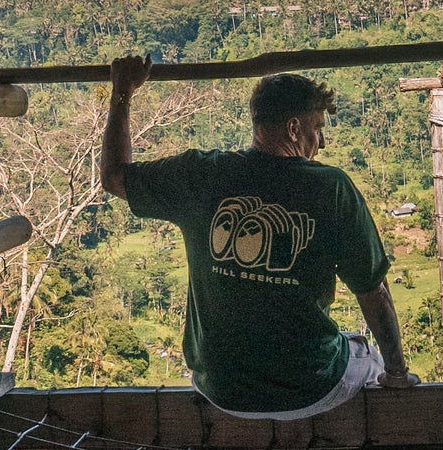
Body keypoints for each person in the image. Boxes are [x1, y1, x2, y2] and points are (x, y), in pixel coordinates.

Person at [101, 57, 418, 417]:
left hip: (219, 387)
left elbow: (114, 177)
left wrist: (122, 92)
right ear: (295, 128)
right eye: (318, 128)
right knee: (368, 358)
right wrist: (397, 372)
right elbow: (372, 291)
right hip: (307, 387)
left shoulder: (202, 174)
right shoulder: (330, 188)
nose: (323, 141)